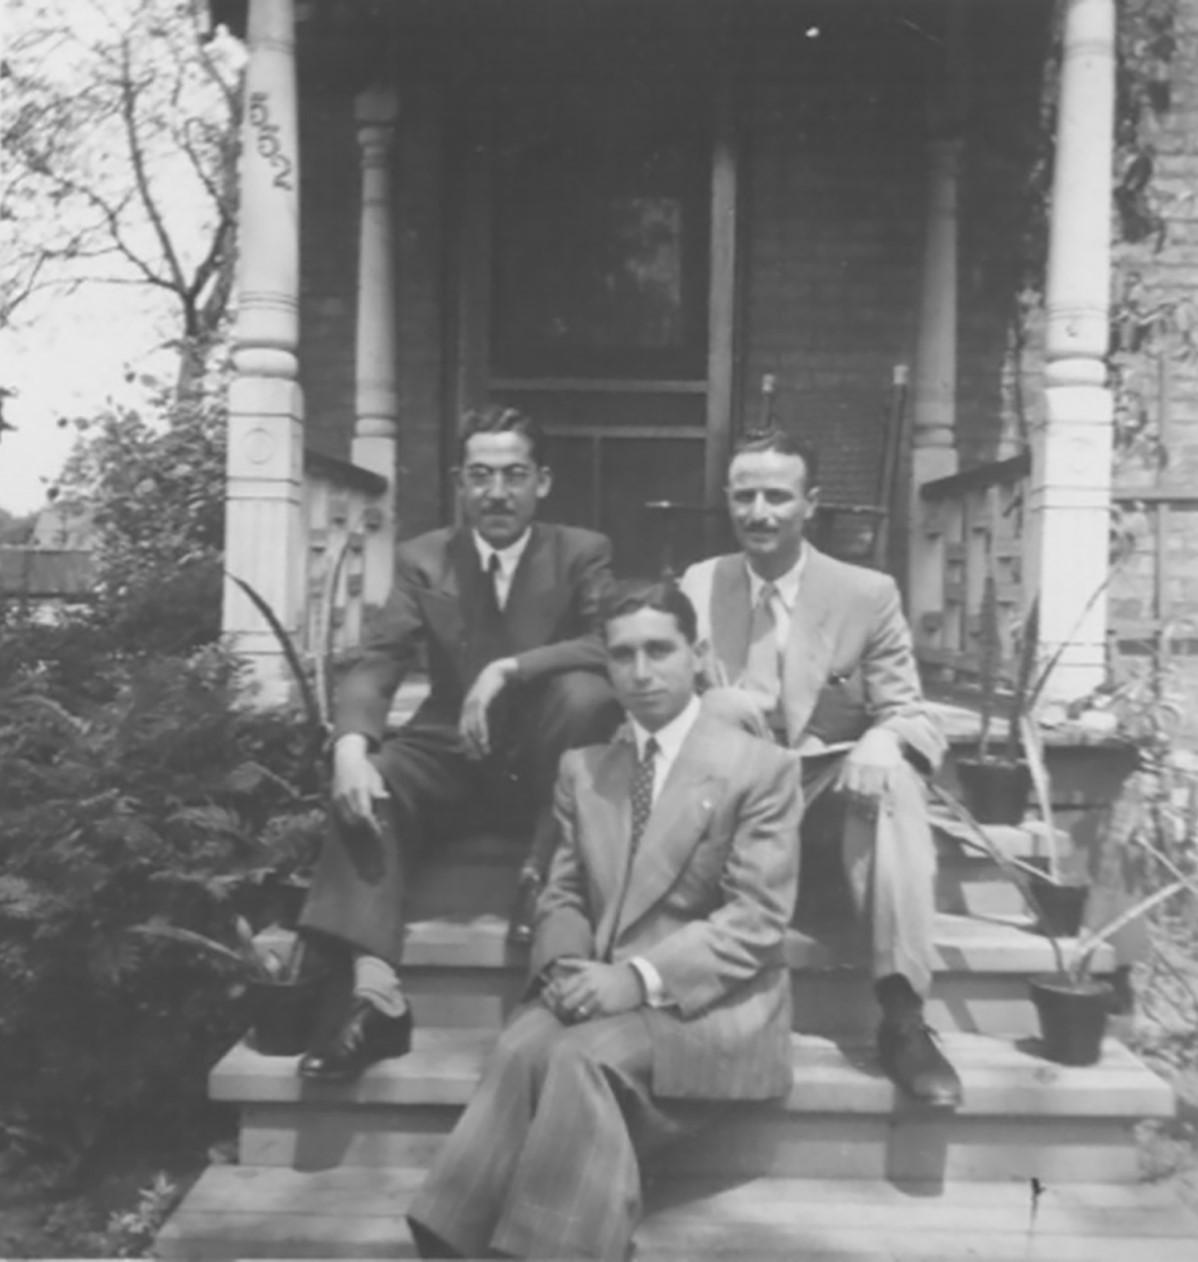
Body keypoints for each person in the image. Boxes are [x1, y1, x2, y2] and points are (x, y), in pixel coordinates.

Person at [406, 579, 802, 1261]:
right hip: (601, 987)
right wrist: (566, 968)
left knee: (577, 1058)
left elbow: (756, 920)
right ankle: (450, 1242)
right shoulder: (585, 769)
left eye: (659, 650)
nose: (641, 672)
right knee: (522, 1045)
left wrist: (635, 979)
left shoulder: (759, 770)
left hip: (708, 1006)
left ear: (698, 655)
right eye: (623, 655)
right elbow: (562, 893)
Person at [296, 405, 622, 1082]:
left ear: (542, 482)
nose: (497, 492)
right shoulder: (425, 558)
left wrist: (511, 669)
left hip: (544, 762)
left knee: (587, 696)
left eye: (514, 475)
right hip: (453, 750)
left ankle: (541, 878)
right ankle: (376, 995)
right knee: (375, 777)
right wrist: (350, 746)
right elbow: (380, 659)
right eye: (481, 476)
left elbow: (609, 643)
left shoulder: (580, 551)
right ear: (459, 483)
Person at [678, 428, 962, 1108]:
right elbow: (663, 703)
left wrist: (884, 740)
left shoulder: (866, 593)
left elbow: (910, 711)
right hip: (730, 802)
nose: (759, 513)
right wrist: (708, 705)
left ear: (811, 503)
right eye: (744, 496)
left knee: (893, 780)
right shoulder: (699, 584)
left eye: (778, 496)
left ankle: (902, 1016)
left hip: (822, 800)